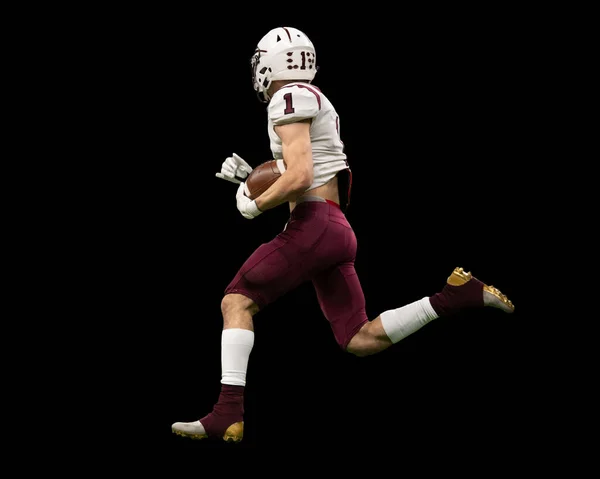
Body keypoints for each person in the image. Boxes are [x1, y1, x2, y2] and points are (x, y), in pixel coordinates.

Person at [171, 26, 515, 443]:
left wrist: (254, 203)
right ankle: (452, 296)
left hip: (314, 224)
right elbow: (306, 166)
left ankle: (227, 413)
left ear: (272, 63)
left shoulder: (288, 97)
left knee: (235, 300)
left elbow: (300, 174)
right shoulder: (317, 100)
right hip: (335, 226)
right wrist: (250, 178)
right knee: (359, 338)